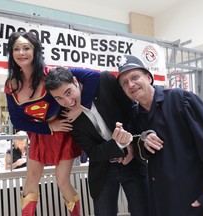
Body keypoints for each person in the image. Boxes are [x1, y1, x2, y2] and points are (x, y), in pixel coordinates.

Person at [117, 55, 203, 216]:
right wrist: (142, 140)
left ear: (149, 77)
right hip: (162, 203)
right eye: (124, 83)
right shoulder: (136, 115)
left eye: (135, 77)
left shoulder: (182, 100)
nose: (131, 84)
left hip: (195, 203)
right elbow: (137, 146)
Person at [45, 67, 149, 216]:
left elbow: (132, 111)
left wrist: (131, 145)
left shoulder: (104, 82)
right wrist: (118, 144)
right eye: (59, 98)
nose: (67, 101)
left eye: (68, 92)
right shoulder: (67, 115)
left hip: (133, 163)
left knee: (144, 211)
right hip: (102, 171)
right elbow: (92, 152)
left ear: (75, 81)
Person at [4, 31, 84, 216]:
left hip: (64, 132)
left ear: (35, 50)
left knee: (62, 181)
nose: (21, 52)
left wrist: (80, 108)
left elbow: (87, 78)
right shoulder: (11, 84)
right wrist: (47, 127)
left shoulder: (50, 74)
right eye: (16, 48)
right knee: (31, 179)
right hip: (41, 133)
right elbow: (16, 120)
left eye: (26, 48)